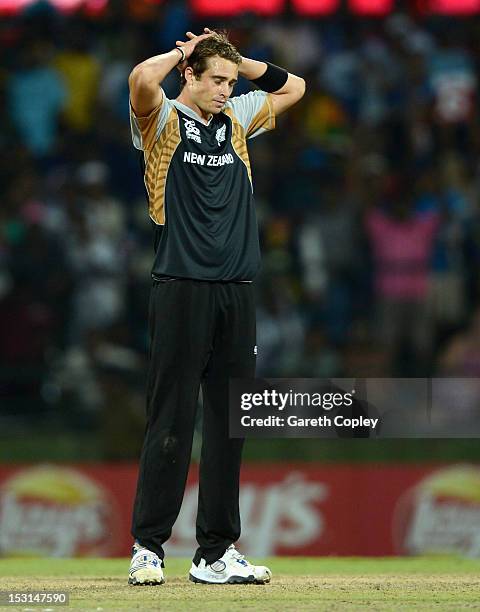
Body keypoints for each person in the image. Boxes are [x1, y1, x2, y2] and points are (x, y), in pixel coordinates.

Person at [127, 28, 305, 586]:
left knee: (231, 421)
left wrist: (238, 60)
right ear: (191, 78)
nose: (227, 90)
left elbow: (295, 87)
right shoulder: (162, 121)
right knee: (173, 417)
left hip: (237, 286)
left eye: (231, 82)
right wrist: (187, 52)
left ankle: (215, 552)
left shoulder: (237, 119)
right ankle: (149, 547)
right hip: (181, 284)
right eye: (217, 81)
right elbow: (139, 80)